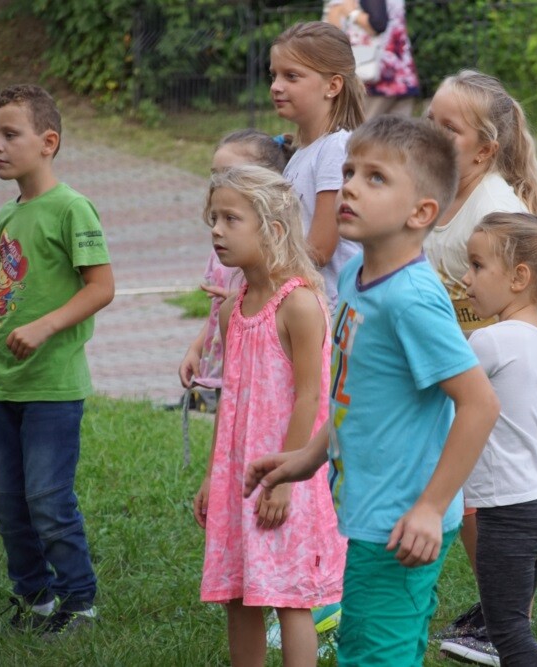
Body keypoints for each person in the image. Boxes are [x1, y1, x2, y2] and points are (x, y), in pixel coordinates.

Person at [243, 115, 500, 666]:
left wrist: (430, 509)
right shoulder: (359, 274)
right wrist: (306, 460)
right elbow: (351, 396)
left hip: (401, 525)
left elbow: (480, 403)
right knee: (370, 649)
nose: (352, 185)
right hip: (369, 512)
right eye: (350, 171)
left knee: (372, 657)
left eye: (376, 178)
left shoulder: (411, 299)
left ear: (421, 213)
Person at [0, 84, 115, 634]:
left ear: (48, 141)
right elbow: (16, 295)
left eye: (10, 135)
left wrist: (46, 327)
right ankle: (35, 599)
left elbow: (100, 287)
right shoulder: (8, 218)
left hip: (53, 386)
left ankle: (80, 601)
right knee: (7, 501)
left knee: (49, 500)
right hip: (0, 385)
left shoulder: (72, 208)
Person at [423, 69, 537, 657]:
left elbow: (528, 289)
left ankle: (506, 617)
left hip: (529, 341)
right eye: (430, 121)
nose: (434, 134)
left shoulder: (492, 205)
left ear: (485, 148)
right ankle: (501, 606)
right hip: (498, 342)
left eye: (450, 128)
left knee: (497, 480)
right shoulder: (444, 187)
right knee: (488, 483)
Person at [192, 165, 346, 666]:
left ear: (273, 230)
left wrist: (284, 481)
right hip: (238, 477)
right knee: (238, 593)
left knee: (287, 596)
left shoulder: (299, 305)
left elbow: (310, 398)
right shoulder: (230, 308)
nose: (216, 230)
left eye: (231, 219)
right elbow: (229, 400)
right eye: (213, 218)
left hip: (285, 477)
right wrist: (212, 478)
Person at [439, 212, 537, 666]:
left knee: (508, 634)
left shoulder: (491, 342)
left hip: (508, 513)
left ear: (520, 277)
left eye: (478, 266)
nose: (466, 278)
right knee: (511, 625)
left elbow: (432, 385)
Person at [178, 130, 292, 407]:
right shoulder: (223, 250)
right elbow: (219, 312)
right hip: (225, 362)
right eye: (214, 175)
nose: (219, 183)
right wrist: (197, 347)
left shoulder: (272, 258)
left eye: (229, 173)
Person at [270, 21, 366, 310]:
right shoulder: (304, 153)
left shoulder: (336, 149)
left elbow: (320, 249)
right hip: (308, 305)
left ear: (332, 86)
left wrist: (265, 274)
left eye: (292, 76)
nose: (276, 86)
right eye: (273, 75)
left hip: (331, 309)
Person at [324, 0, 421, 118]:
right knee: (400, 133)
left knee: (362, 132)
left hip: (371, 77)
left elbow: (377, 23)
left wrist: (352, 13)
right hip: (402, 75)